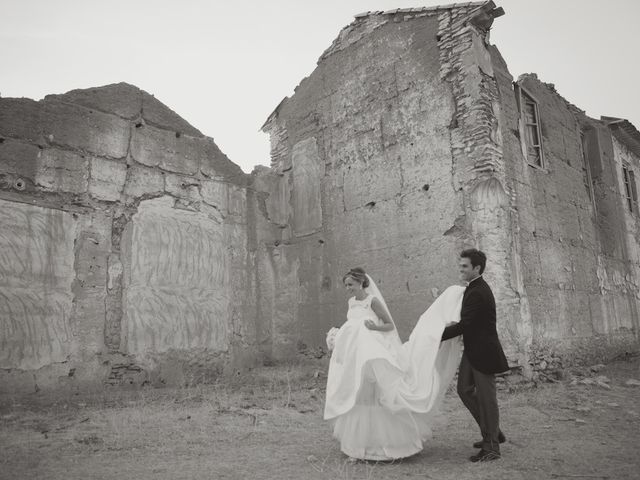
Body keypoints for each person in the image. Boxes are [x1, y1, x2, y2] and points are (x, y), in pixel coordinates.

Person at [324, 267, 465, 461]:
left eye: (350, 284)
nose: (347, 288)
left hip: (374, 353)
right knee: (360, 397)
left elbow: (389, 325)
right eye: (346, 285)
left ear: (361, 283)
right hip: (357, 356)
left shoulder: (372, 301)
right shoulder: (351, 302)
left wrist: (374, 327)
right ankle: (357, 448)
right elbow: (352, 326)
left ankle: (386, 447)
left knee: (379, 396)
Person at [441, 249, 509, 462]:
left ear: (476, 268)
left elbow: (466, 323)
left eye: (464, 266)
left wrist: (437, 335)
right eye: (460, 265)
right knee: (463, 389)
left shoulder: (479, 291)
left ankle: (491, 447)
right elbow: (468, 321)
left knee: (488, 400)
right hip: (473, 350)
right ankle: (493, 431)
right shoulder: (473, 288)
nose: (460, 269)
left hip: (484, 352)